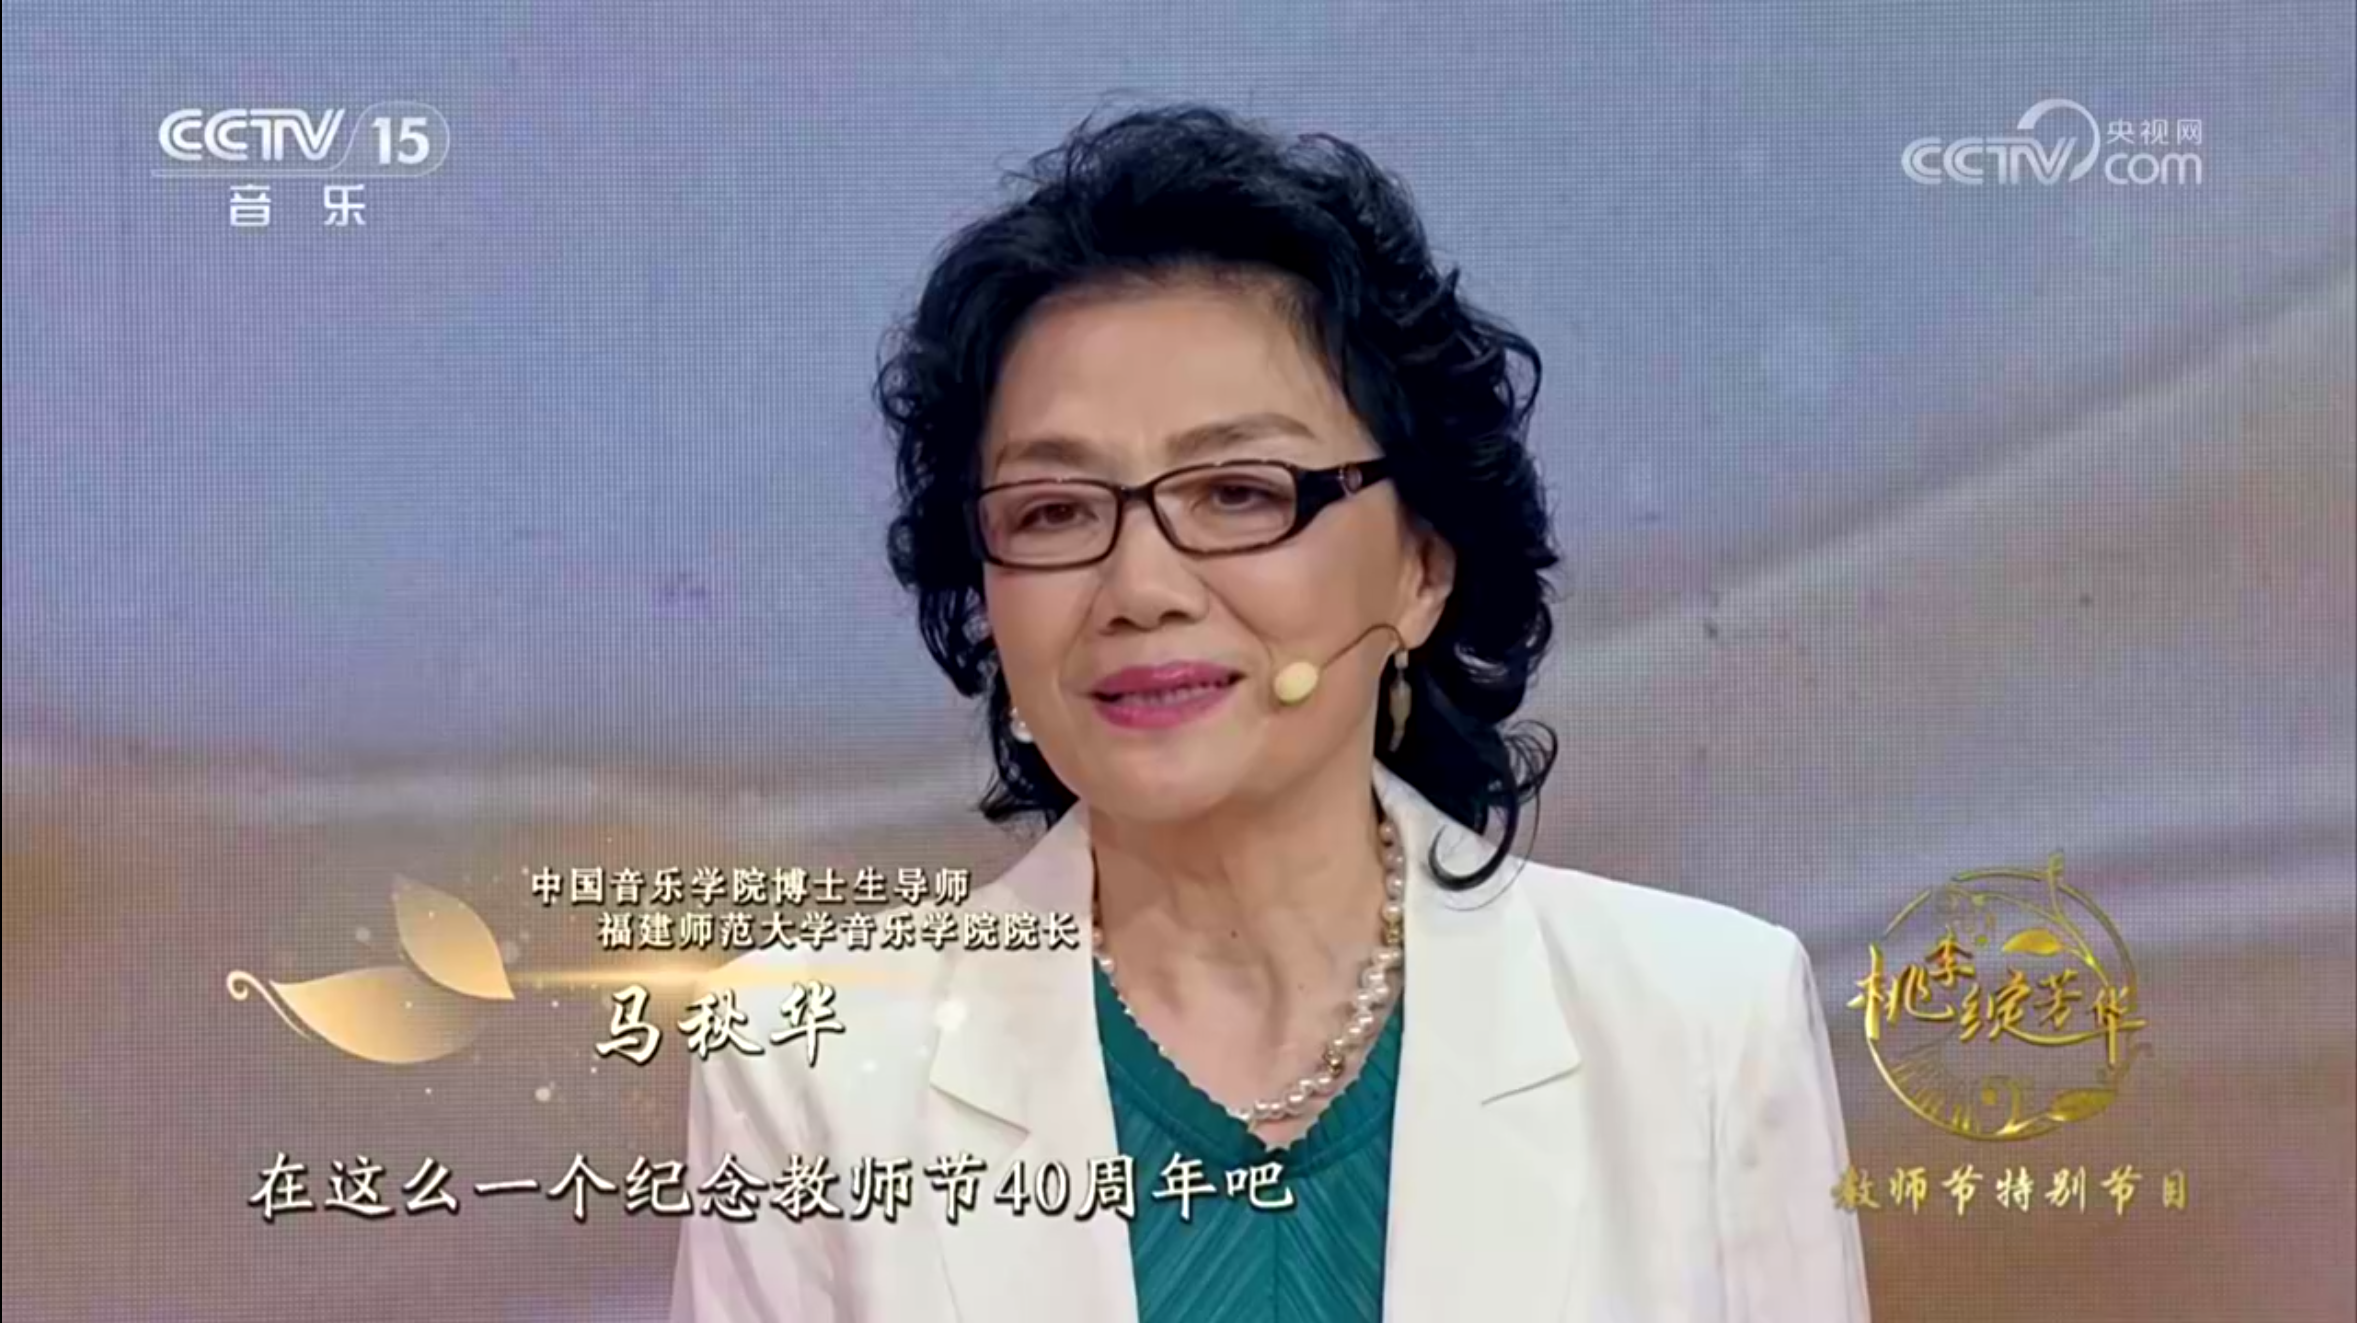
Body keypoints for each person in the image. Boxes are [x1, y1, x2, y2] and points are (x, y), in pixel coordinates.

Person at [671, 103, 1871, 1323]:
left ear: (1421, 568)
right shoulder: (809, 1066)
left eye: (1240, 493)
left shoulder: (1703, 1025)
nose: (1138, 588)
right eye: (1052, 511)